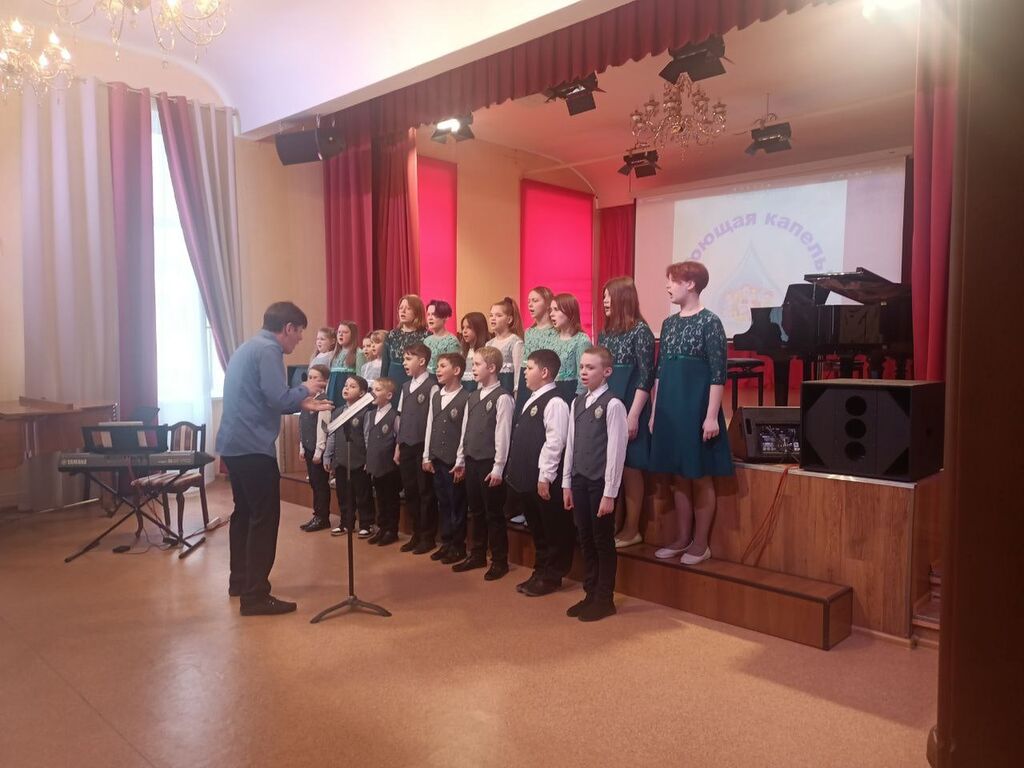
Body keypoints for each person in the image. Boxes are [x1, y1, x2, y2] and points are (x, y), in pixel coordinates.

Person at [216, 301, 333, 616]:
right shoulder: (269, 351)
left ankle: (240, 582)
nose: (300, 339)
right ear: (288, 328)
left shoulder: (248, 347)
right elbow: (279, 399)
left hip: (234, 445)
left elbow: (263, 398)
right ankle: (255, 596)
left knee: (244, 514)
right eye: (299, 332)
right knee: (264, 518)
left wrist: (301, 402)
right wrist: (305, 388)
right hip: (254, 447)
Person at [649, 261, 734, 566]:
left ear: (691, 284)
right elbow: (659, 373)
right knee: (678, 475)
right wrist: (655, 412)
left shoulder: (710, 322)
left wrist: (711, 417)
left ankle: (701, 543)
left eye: (673, 281)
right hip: (670, 410)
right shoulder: (669, 324)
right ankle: (682, 537)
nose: (668, 286)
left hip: (696, 409)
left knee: (699, 475)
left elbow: (718, 374)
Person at [562, 347, 628, 622]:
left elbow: (616, 452)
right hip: (579, 479)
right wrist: (566, 483)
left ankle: (604, 598)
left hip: (600, 483)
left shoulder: (613, 405)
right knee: (585, 538)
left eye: (590, 367)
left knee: (602, 540)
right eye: (582, 367)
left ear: (607, 371)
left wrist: (610, 493)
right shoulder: (577, 402)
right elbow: (571, 445)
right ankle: (590, 593)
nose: (584, 372)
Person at [504, 349, 573, 597]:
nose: (524, 372)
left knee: (552, 529)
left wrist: (545, 476)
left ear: (544, 372)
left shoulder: (555, 402)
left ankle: (552, 576)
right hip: (527, 479)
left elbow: (555, 442)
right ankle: (540, 570)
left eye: (529, 367)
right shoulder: (532, 398)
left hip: (544, 481)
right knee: (538, 529)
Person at [597, 277, 656, 549]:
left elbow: (646, 377)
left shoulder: (641, 331)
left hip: (631, 406)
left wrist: (633, 416)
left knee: (631, 468)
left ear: (623, 298)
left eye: (609, 296)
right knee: (612, 466)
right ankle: (614, 524)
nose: (604, 301)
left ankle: (632, 529)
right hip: (608, 404)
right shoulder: (606, 333)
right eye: (603, 297)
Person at [453, 346, 513, 580]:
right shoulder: (473, 396)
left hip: (490, 463)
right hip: (472, 460)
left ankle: (499, 560)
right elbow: (465, 430)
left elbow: (503, 435)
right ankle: (477, 554)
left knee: (493, 513)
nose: (473, 369)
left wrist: (498, 467)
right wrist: (461, 458)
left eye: (477, 364)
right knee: (476, 510)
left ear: (492, 368)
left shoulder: (503, 398)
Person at [423, 352, 470, 565]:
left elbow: (464, 432)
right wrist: (426, 455)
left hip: (453, 461)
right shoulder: (436, 396)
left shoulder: (466, 397)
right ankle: (446, 542)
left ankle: (458, 546)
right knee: (442, 502)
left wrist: (460, 460)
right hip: (437, 458)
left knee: (456, 504)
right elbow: (430, 425)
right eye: (437, 366)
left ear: (457, 370)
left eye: (443, 366)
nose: (438, 370)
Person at [394, 342, 439, 554]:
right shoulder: (405, 387)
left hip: (422, 446)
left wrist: (428, 453)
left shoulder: (432, 386)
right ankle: (416, 533)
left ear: (422, 361)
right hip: (406, 444)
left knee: (425, 492)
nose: (404, 363)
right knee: (410, 490)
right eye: (404, 359)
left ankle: (428, 537)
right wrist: (398, 446)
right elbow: (401, 417)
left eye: (408, 359)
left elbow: (432, 420)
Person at [324, 375, 376, 538]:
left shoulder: (366, 412)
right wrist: (327, 455)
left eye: (352, 386)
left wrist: (369, 459)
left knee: (363, 494)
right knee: (343, 494)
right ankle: (346, 523)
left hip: (359, 460)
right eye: (346, 385)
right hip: (341, 461)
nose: (346, 388)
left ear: (362, 393)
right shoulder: (338, 412)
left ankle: (366, 524)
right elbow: (332, 435)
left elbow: (367, 437)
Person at [364, 377, 402, 546]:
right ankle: (382, 528)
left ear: (389, 395)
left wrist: (396, 454)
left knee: (391, 498)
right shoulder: (370, 415)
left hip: (389, 466)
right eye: (372, 389)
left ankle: (391, 531)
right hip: (375, 464)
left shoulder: (395, 416)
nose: (373, 393)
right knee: (379, 497)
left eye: (378, 390)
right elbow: (368, 438)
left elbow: (399, 438)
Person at [297, 364, 333, 533]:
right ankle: (317, 514)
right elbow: (302, 425)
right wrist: (302, 447)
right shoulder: (307, 400)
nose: (311, 380)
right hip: (308, 447)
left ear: (324, 381)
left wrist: (319, 451)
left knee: (320, 484)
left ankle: (322, 517)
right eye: (309, 377)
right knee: (313, 482)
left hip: (317, 450)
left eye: (315, 377)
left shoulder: (323, 401)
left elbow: (323, 429)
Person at [518, 286, 557, 411]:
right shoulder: (529, 332)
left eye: (535, 301)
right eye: (529, 301)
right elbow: (525, 363)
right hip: (529, 381)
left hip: (547, 381)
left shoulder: (556, 331)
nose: (530, 305)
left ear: (547, 304)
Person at [548, 292, 592, 402]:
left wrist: (578, 402)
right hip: (551, 393)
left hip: (570, 393)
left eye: (556, 309)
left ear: (569, 311)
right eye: (551, 310)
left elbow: (583, 376)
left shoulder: (581, 340)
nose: (551, 314)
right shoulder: (551, 338)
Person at [382, 295, 429, 389]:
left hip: (416, 384)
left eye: (408, 308)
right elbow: (385, 365)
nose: (402, 311)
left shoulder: (426, 336)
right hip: (392, 385)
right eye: (400, 308)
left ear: (417, 312)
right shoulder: (391, 335)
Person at [486, 296, 525, 394]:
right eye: (491, 315)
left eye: (498, 315)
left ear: (509, 319)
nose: (493, 318)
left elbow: (518, 373)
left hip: (506, 392)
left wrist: (516, 393)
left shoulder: (515, 342)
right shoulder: (489, 344)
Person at [326, 321, 364, 404]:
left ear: (352, 335)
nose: (340, 334)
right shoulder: (335, 354)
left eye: (345, 332)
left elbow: (360, 378)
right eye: (339, 332)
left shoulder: (358, 353)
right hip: (333, 392)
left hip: (347, 393)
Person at [424, 299, 463, 374]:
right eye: (428, 314)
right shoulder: (426, 341)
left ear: (445, 317)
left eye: (434, 315)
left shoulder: (452, 342)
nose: (430, 318)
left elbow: (453, 368)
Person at [459, 311, 491, 392]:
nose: (464, 331)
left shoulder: (486, 350)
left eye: (469, 327)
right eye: (463, 328)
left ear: (479, 328)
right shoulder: (463, 351)